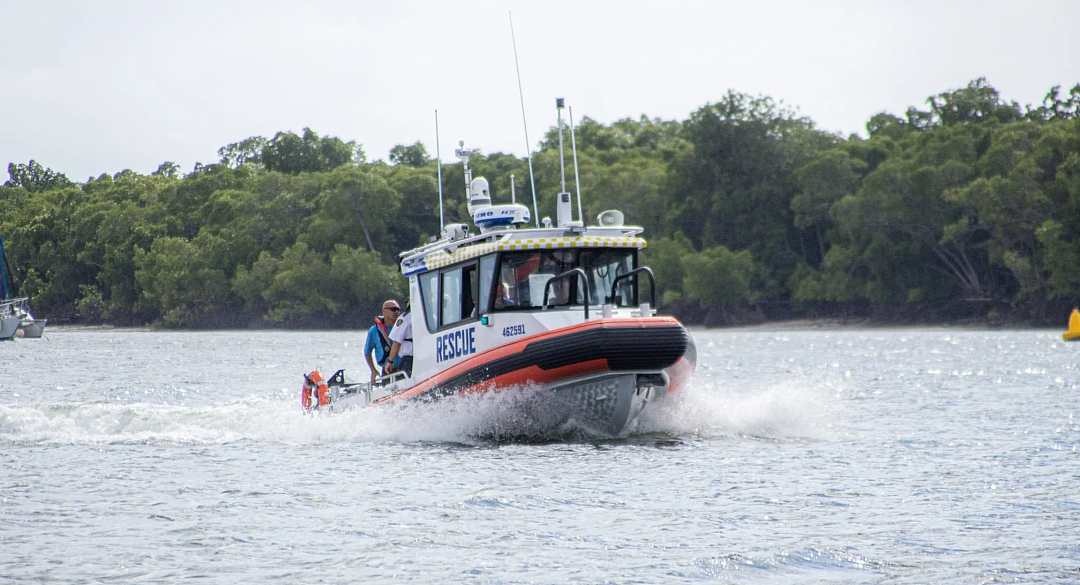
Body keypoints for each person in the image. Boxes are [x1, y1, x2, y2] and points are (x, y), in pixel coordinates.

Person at [364, 300, 402, 385]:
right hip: (388, 369)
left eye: (398, 309)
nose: (396, 312)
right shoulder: (374, 331)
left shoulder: (403, 326)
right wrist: (373, 370)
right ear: (384, 311)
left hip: (405, 366)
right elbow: (367, 352)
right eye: (393, 309)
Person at [385, 299, 414, 378]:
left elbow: (397, 342)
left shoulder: (405, 318)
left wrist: (390, 361)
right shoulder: (428, 316)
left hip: (409, 357)